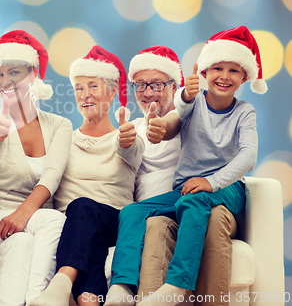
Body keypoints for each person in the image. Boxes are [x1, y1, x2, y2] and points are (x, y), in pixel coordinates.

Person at [106, 27, 265, 306]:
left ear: (244, 77)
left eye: (233, 70)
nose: (224, 76)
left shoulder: (244, 112)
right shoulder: (191, 101)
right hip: (188, 190)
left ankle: (178, 285)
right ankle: (122, 286)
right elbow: (174, 120)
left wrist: (211, 181)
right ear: (203, 72)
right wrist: (159, 128)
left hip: (227, 188)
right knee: (132, 212)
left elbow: (248, 157)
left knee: (194, 200)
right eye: (217, 68)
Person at [0, 30, 73, 306]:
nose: (5, 81)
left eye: (14, 72)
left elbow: (52, 176)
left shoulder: (59, 125)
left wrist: (22, 215)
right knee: (54, 219)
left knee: (21, 243)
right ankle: (40, 300)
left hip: (22, 224)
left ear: (33, 74)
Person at [28, 45, 143, 306]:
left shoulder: (127, 136)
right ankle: (88, 302)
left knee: (81, 207)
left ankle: (62, 281)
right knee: (89, 236)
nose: (84, 95)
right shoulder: (63, 137)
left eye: (93, 86)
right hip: (73, 228)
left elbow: (131, 150)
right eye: (78, 88)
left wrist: (125, 140)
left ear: (113, 91)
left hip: (113, 220)